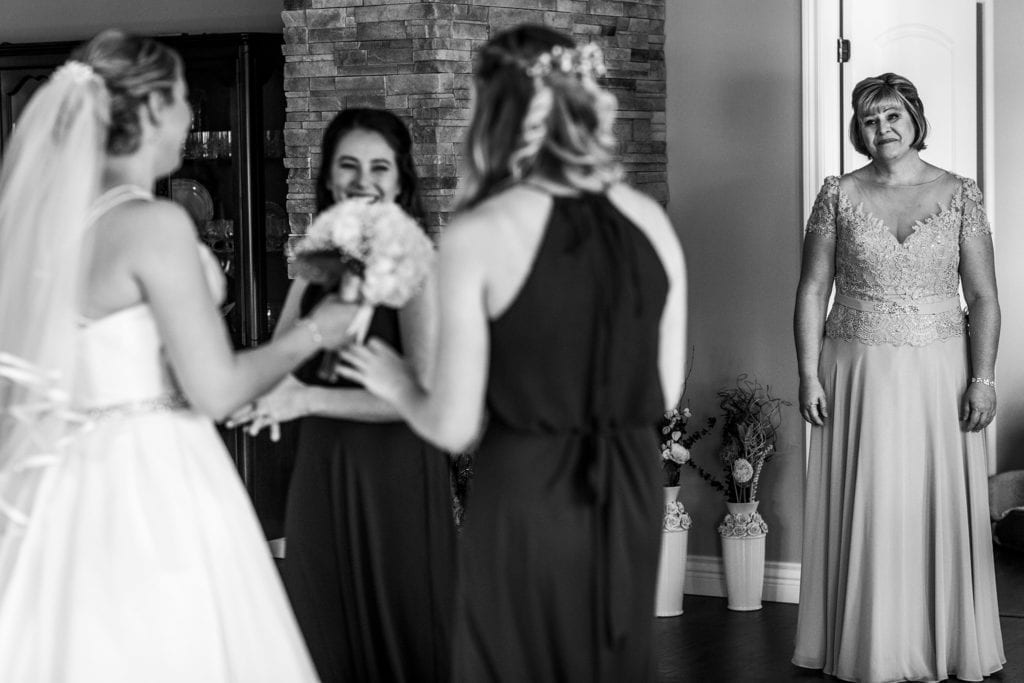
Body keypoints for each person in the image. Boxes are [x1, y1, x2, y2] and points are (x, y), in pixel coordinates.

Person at [0, 30, 357, 681]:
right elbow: (215, 389)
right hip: (149, 474)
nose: (192, 115)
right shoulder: (154, 224)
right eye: (185, 98)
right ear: (153, 108)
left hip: (72, 473)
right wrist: (316, 332)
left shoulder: (62, 228)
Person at [337, 25, 686, 682]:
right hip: (630, 486)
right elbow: (664, 394)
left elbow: (454, 424)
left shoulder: (480, 233)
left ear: (495, 110)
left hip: (529, 486)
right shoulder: (651, 222)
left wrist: (395, 381)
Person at [227, 108, 455, 683]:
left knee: (402, 638)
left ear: (400, 180)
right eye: (348, 164)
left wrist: (307, 401)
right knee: (322, 633)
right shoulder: (315, 261)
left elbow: (422, 397)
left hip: (394, 474)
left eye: (380, 166)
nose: (363, 179)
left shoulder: (417, 264)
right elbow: (281, 362)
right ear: (328, 177)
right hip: (321, 471)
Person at [792, 72, 1005, 682]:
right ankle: (866, 645)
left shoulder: (961, 194)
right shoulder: (837, 194)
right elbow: (812, 290)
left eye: (891, 116)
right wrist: (808, 375)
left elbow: (984, 297)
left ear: (914, 119)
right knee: (870, 498)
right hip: (855, 368)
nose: (881, 129)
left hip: (941, 370)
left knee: (930, 504)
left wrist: (983, 378)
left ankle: (943, 640)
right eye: (868, 120)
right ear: (857, 130)